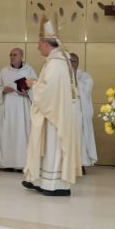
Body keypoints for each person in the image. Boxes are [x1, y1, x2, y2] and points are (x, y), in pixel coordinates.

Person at [22, 18, 82, 196]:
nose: (37, 47)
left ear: (47, 44)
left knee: (54, 148)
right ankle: (43, 181)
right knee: (49, 149)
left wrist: (33, 84)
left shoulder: (56, 63)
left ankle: (55, 185)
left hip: (55, 116)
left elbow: (49, 92)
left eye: (39, 43)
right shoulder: (56, 61)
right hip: (55, 112)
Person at [0, 48, 36, 171]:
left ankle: (22, 164)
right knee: (7, 134)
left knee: (22, 134)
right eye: (10, 55)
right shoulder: (4, 71)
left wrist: (27, 93)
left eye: (15, 55)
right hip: (8, 107)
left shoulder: (29, 70)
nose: (12, 57)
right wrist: (3, 90)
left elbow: (37, 87)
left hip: (23, 107)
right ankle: (7, 164)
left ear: (21, 56)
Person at [70, 53, 97, 169]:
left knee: (79, 137)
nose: (71, 64)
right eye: (69, 61)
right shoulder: (61, 76)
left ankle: (80, 164)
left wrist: (73, 78)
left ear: (78, 63)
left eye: (74, 61)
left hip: (79, 112)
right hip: (66, 112)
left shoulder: (85, 76)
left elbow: (86, 92)